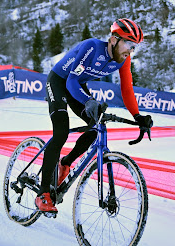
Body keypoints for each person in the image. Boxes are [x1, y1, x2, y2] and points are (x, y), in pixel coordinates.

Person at [35, 18, 153, 213]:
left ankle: (65, 164)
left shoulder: (123, 59)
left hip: (77, 86)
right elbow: (71, 79)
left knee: (94, 127)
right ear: (114, 39)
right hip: (59, 81)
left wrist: (137, 116)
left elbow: (126, 89)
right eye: (129, 44)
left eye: (134, 47)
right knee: (61, 132)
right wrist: (88, 100)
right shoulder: (92, 47)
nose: (130, 51)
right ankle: (43, 192)